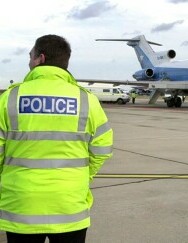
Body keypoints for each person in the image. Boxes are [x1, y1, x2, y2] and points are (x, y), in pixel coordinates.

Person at [0, 34, 113, 243]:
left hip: (21, 203)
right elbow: (102, 148)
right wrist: (81, 177)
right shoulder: (86, 100)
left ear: (40, 58)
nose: (28, 61)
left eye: (30, 56)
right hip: (69, 204)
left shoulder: (10, 98)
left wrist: (7, 178)